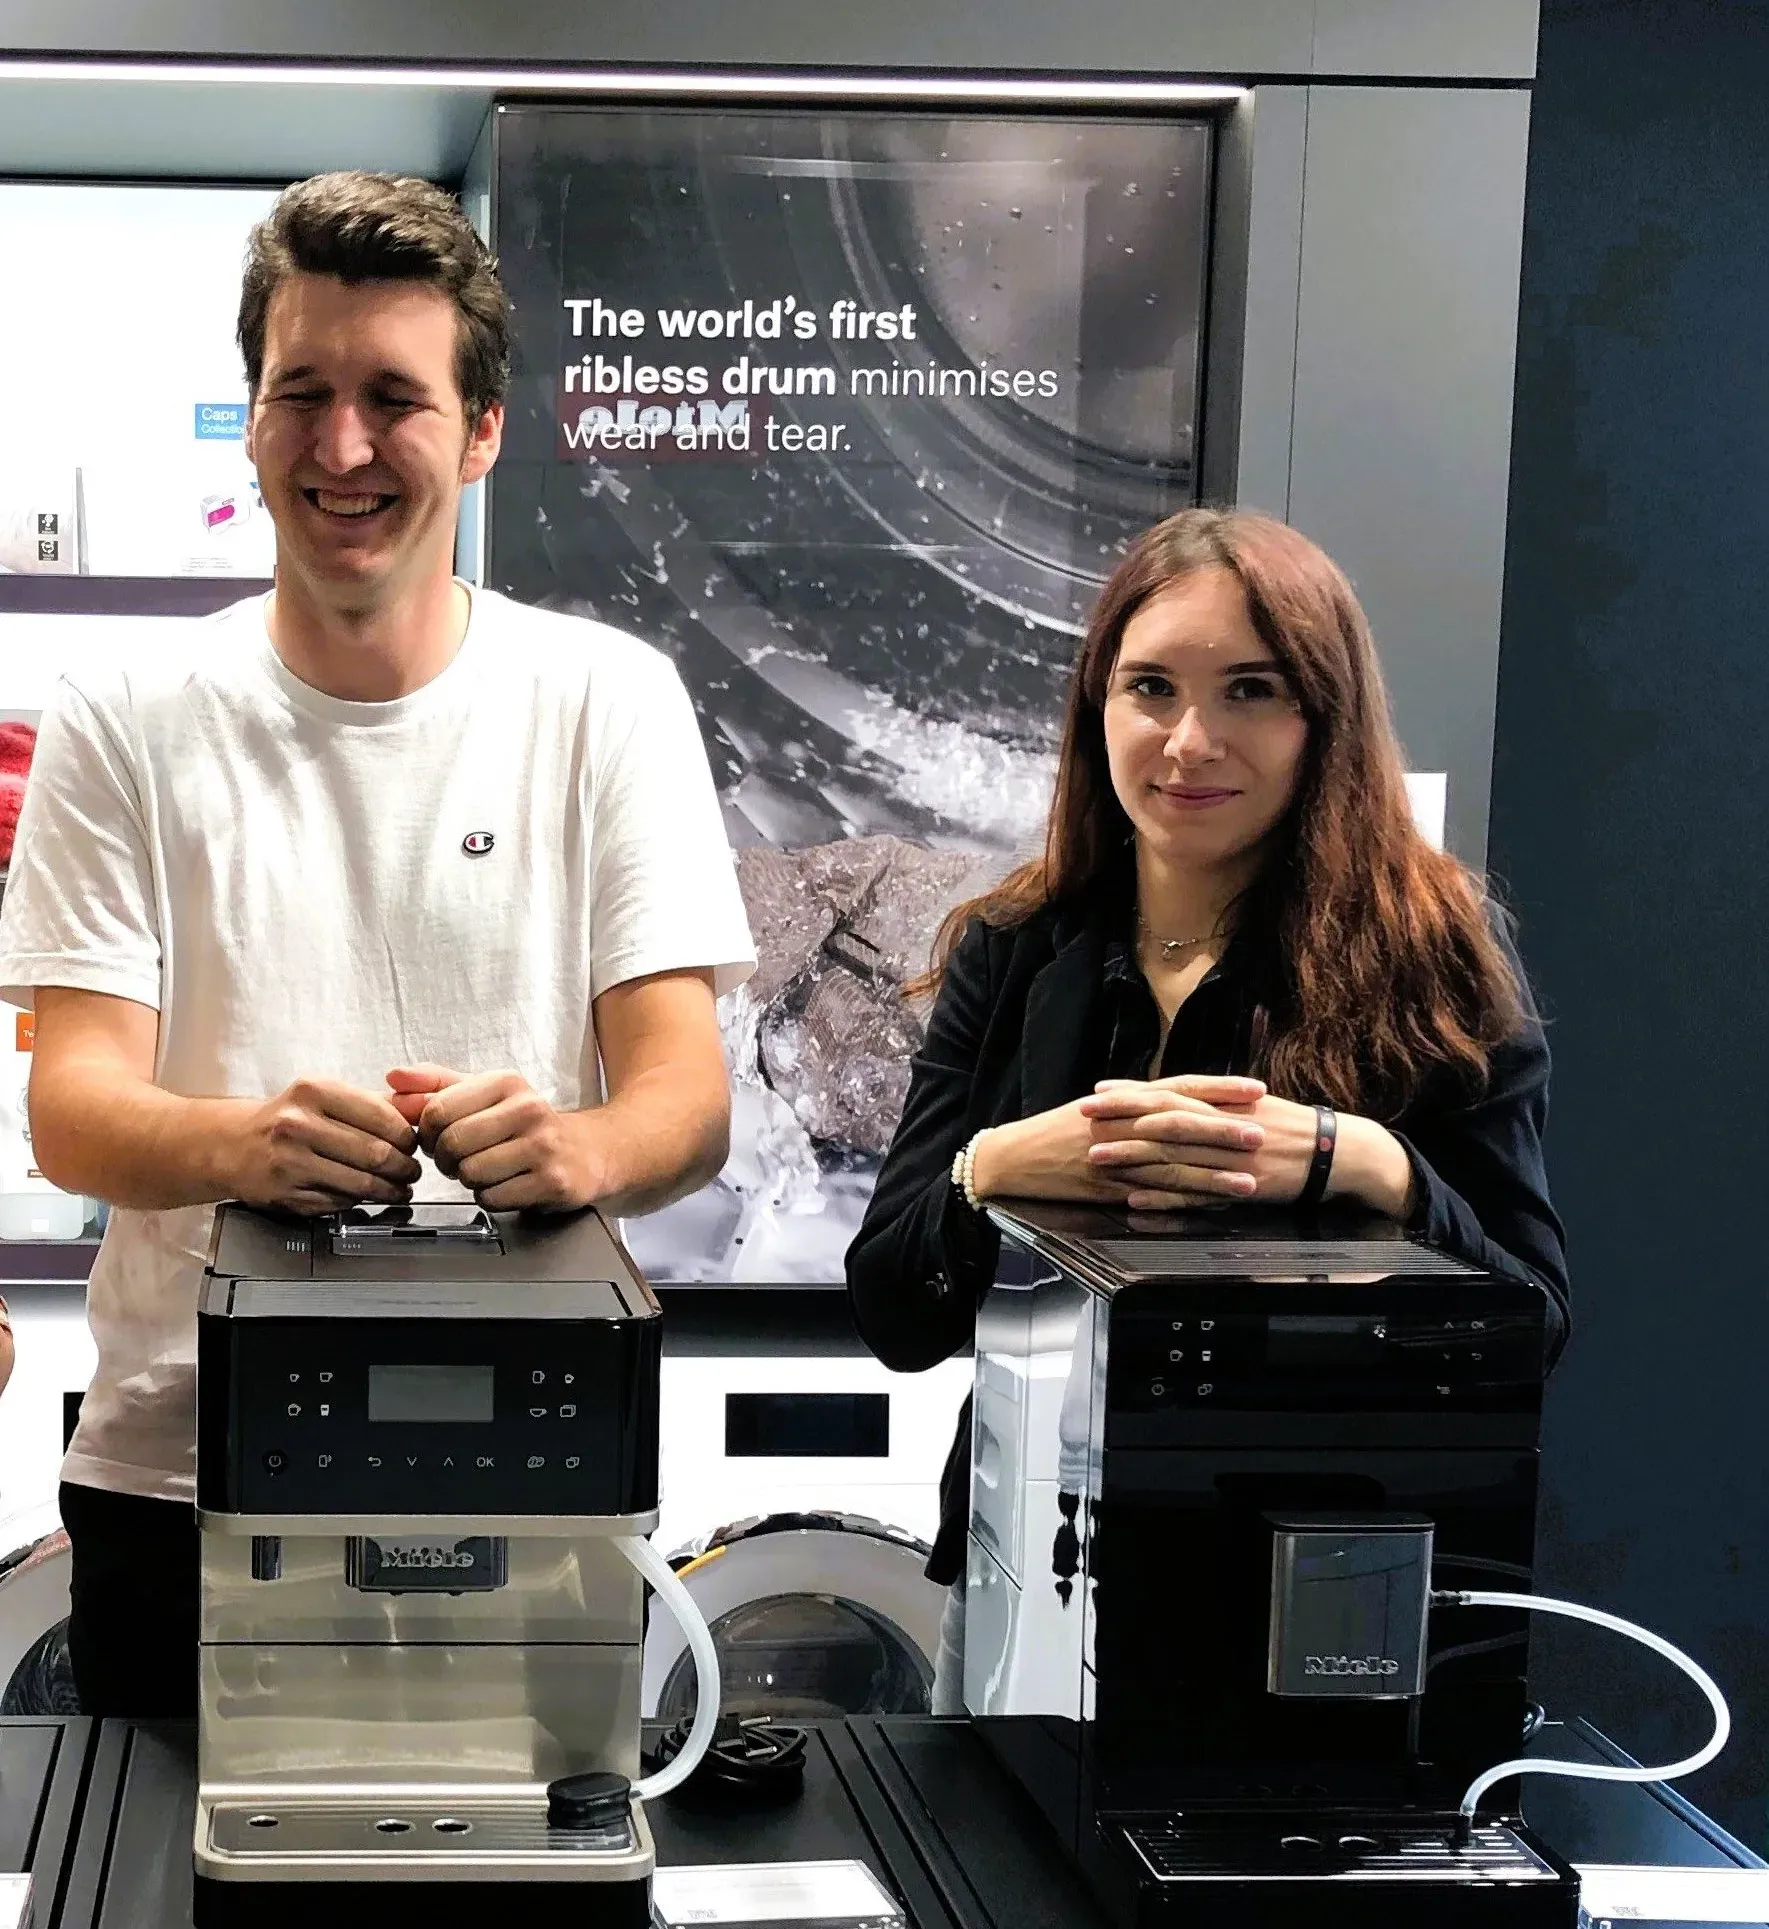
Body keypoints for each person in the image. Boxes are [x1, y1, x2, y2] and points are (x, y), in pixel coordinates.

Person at [0, 172, 754, 1718]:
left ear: (480, 432)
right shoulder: (121, 718)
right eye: (303, 395)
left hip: (523, 1468)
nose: (343, 449)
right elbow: (72, 1109)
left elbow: (685, 1101)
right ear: (255, 416)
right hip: (182, 1466)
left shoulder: (605, 701)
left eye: (394, 400)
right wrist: (243, 1140)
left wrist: (582, 1146)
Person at [845, 507, 1568, 1712]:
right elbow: (893, 1314)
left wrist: (1367, 1164)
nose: (1188, 741)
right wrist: (993, 1169)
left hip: (1328, 1584)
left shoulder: (1428, 956)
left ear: (1322, 720)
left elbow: (1529, 1328)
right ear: (1096, 708)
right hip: (1033, 1567)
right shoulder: (1011, 952)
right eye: (1148, 689)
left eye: (1248, 690)